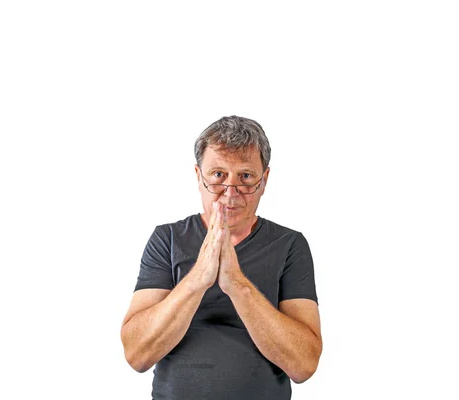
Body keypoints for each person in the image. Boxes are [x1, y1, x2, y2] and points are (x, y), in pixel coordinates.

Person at [120, 116, 321, 400]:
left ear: (264, 181)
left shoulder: (290, 245)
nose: (231, 192)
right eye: (218, 175)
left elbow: (304, 365)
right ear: (198, 177)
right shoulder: (167, 238)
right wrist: (198, 280)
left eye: (246, 177)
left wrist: (237, 284)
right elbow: (136, 354)